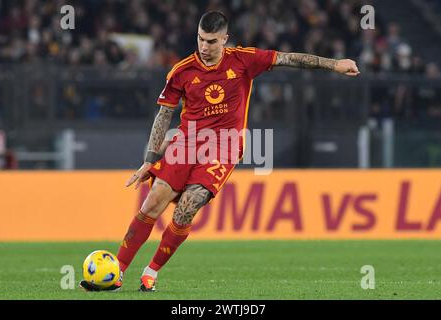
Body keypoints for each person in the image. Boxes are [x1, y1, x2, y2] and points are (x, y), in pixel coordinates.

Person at [80, 11, 359, 292]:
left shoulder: (243, 60)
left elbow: (290, 59)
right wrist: (149, 159)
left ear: (225, 39)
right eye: (201, 39)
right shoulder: (182, 71)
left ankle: (150, 272)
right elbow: (164, 115)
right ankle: (115, 274)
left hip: (224, 146)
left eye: (212, 41)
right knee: (152, 203)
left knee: (187, 207)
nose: (204, 47)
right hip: (186, 144)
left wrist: (334, 64)